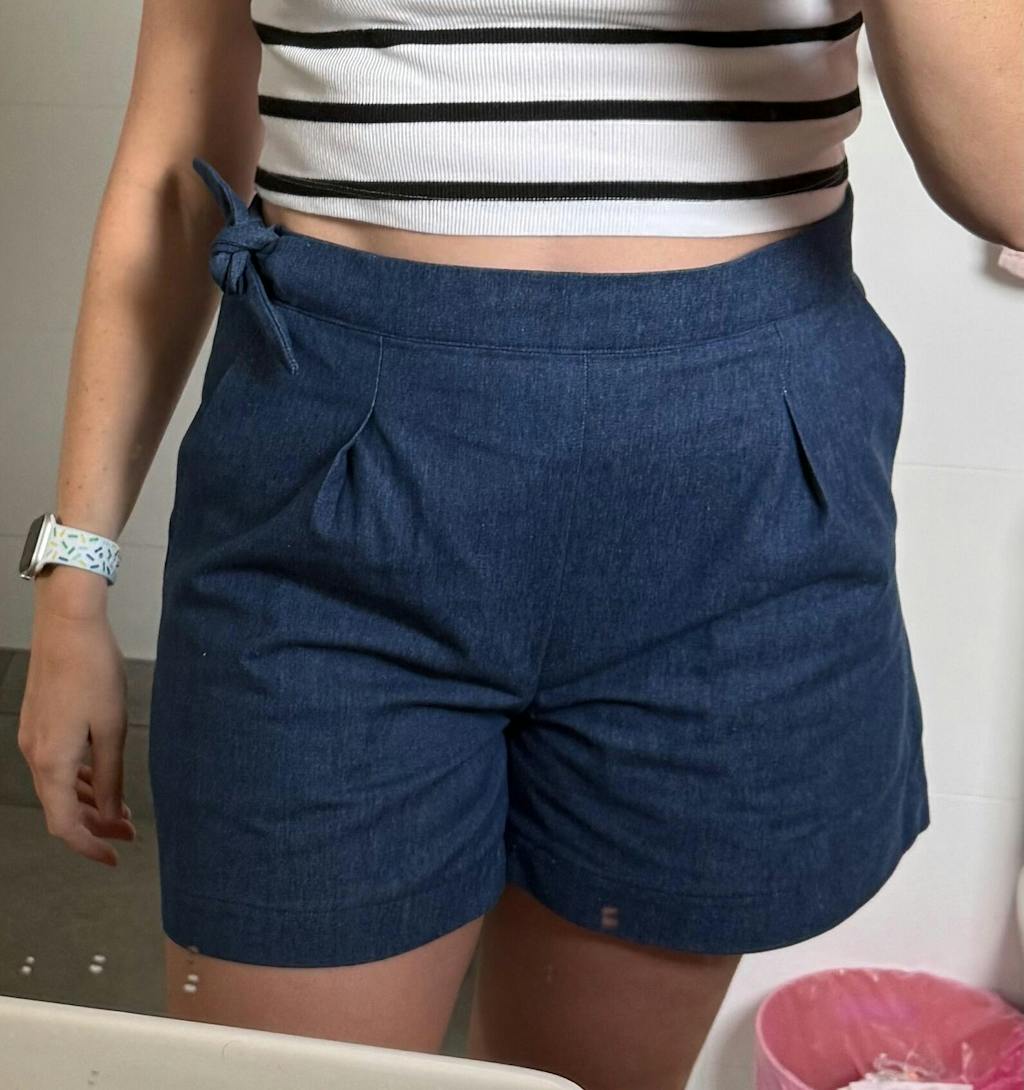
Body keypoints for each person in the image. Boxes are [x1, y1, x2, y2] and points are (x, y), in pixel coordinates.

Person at [15, 2, 1019, 1088]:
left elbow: (1006, 181)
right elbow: (175, 163)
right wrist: (75, 575)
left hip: (735, 505)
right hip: (332, 499)